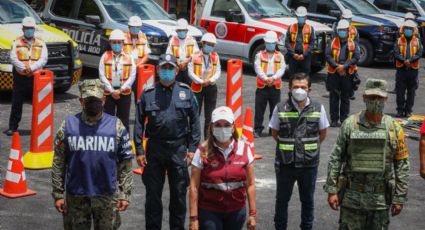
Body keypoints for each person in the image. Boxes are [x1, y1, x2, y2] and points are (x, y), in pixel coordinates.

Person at [324, 79, 410, 230]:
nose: (375, 101)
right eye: (371, 97)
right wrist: (332, 190)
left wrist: (399, 197)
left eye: (379, 98)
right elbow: (336, 158)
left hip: (380, 201)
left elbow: (402, 165)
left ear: (386, 99)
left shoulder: (395, 129)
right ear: (364, 97)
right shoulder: (350, 124)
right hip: (352, 198)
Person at [52, 79, 133, 230]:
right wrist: (58, 193)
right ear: (81, 101)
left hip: (106, 197)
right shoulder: (68, 125)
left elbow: (126, 162)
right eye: (89, 100)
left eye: (96, 100)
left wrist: (124, 194)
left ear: (103, 100)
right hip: (76, 196)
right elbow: (58, 161)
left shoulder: (116, 126)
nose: (92, 103)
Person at [134, 54, 201, 230]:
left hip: (178, 149)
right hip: (154, 149)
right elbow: (138, 122)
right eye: (163, 68)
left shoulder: (186, 92)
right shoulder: (148, 94)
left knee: (178, 197)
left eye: (170, 68)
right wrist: (139, 150)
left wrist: (193, 148)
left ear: (177, 70)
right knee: (153, 197)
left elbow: (195, 122)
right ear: (157, 70)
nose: (167, 71)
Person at [269, 73, 329, 230]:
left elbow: (322, 133)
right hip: (285, 163)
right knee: (282, 200)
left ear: (309, 89)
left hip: (309, 164)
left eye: (303, 87)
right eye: (295, 87)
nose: (299, 90)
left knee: (308, 201)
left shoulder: (318, 108)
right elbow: (275, 133)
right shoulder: (280, 108)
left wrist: (307, 147)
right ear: (289, 89)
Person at [189, 106, 256, 230]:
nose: (222, 128)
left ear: (233, 127)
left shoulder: (245, 149)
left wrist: (252, 214)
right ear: (212, 127)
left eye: (226, 125)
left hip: (236, 211)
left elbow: (250, 184)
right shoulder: (202, 150)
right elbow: (194, 186)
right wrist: (193, 218)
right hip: (209, 211)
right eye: (218, 125)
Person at [3, 17, 48, 136]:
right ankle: (13, 127)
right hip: (20, 76)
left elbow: (44, 59)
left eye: (31, 28)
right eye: (27, 28)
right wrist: (24, 69)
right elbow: (13, 58)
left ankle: (40, 128)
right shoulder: (16, 42)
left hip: (36, 77)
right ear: (23, 29)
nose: (29, 30)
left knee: (39, 104)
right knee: (16, 103)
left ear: (34, 29)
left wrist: (32, 69)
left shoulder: (41, 42)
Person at [99, 29, 136, 131]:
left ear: (123, 43)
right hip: (108, 93)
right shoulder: (105, 56)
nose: (116, 44)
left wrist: (121, 89)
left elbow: (132, 75)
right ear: (110, 43)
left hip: (125, 93)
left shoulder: (129, 57)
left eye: (118, 42)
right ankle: (108, 140)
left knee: (124, 120)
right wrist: (112, 91)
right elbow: (102, 75)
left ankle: (124, 142)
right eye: (114, 42)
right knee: (107, 119)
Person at [326, 20, 360, 127]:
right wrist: (337, 67)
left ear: (347, 31)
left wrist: (344, 67)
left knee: (345, 97)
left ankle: (344, 119)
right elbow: (327, 55)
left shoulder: (353, 43)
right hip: (334, 72)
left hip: (347, 73)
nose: (342, 32)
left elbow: (356, 57)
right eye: (340, 30)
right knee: (334, 97)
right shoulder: (332, 42)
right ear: (337, 31)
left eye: (344, 30)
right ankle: (334, 119)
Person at [188, 33, 221, 138]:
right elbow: (190, 72)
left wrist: (210, 80)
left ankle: (208, 139)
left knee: (209, 115)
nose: (210, 46)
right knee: (195, 114)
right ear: (203, 43)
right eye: (208, 44)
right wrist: (200, 81)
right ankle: (193, 138)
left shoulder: (215, 56)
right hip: (197, 88)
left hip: (211, 87)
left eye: (212, 45)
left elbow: (218, 71)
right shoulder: (195, 55)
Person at [254, 31, 286, 138]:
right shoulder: (259, 55)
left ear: (275, 43)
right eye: (268, 43)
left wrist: (273, 78)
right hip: (262, 86)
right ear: (265, 42)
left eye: (272, 43)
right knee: (259, 109)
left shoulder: (280, 56)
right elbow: (257, 68)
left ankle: (273, 129)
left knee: (275, 109)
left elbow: (282, 69)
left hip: (275, 86)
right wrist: (266, 78)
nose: (270, 45)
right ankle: (258, 129)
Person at [394, 19, 423, 118]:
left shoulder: (418, 41)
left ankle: (408, 110)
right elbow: (396, 53)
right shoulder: (398, 40)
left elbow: (420, 53)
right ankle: (400, 110)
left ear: (413, 30)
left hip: (413, 70)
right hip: (401, 70)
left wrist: (410, 61)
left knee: (411, 92)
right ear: (403, 29)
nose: (408, 30)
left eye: (410, 29)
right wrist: (404, 61)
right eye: (407, 28)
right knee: (400, 92)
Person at [123, 16, 151, 104]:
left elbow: (147, 55)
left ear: (140, 27)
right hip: (126, 72)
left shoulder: (143, 37)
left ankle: (138, 117)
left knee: (139, 97)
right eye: (132, 27)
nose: (135, 29)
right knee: (124, 96)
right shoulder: (123, 37)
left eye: (137, 27)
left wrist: (137, 65)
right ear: (128, 27)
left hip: (138, 72)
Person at [166, 18, 199, 86]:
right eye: (180, 30)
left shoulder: (192, 39)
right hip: (176, 68)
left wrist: (186, 62)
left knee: (188, 87)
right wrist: (177, 62)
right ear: (176, 30)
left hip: (188, 68)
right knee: (176, 87)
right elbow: (168, 54)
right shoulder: (172, 39)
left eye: (183, 30)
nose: (181, 32)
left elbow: (196, 54)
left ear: (186, 30)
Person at [285, 6, 315, 76]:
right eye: (299, 17)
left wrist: (304, 55)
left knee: (305, 77)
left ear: (306, 17)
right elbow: (287, 42)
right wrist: (293, 54)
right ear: (296, 17)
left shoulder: (310, 28)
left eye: (302, 17)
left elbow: (312, 44)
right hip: (293, 56)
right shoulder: (291, 27)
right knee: (292, 76)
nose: (300, 18)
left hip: (305, 57)